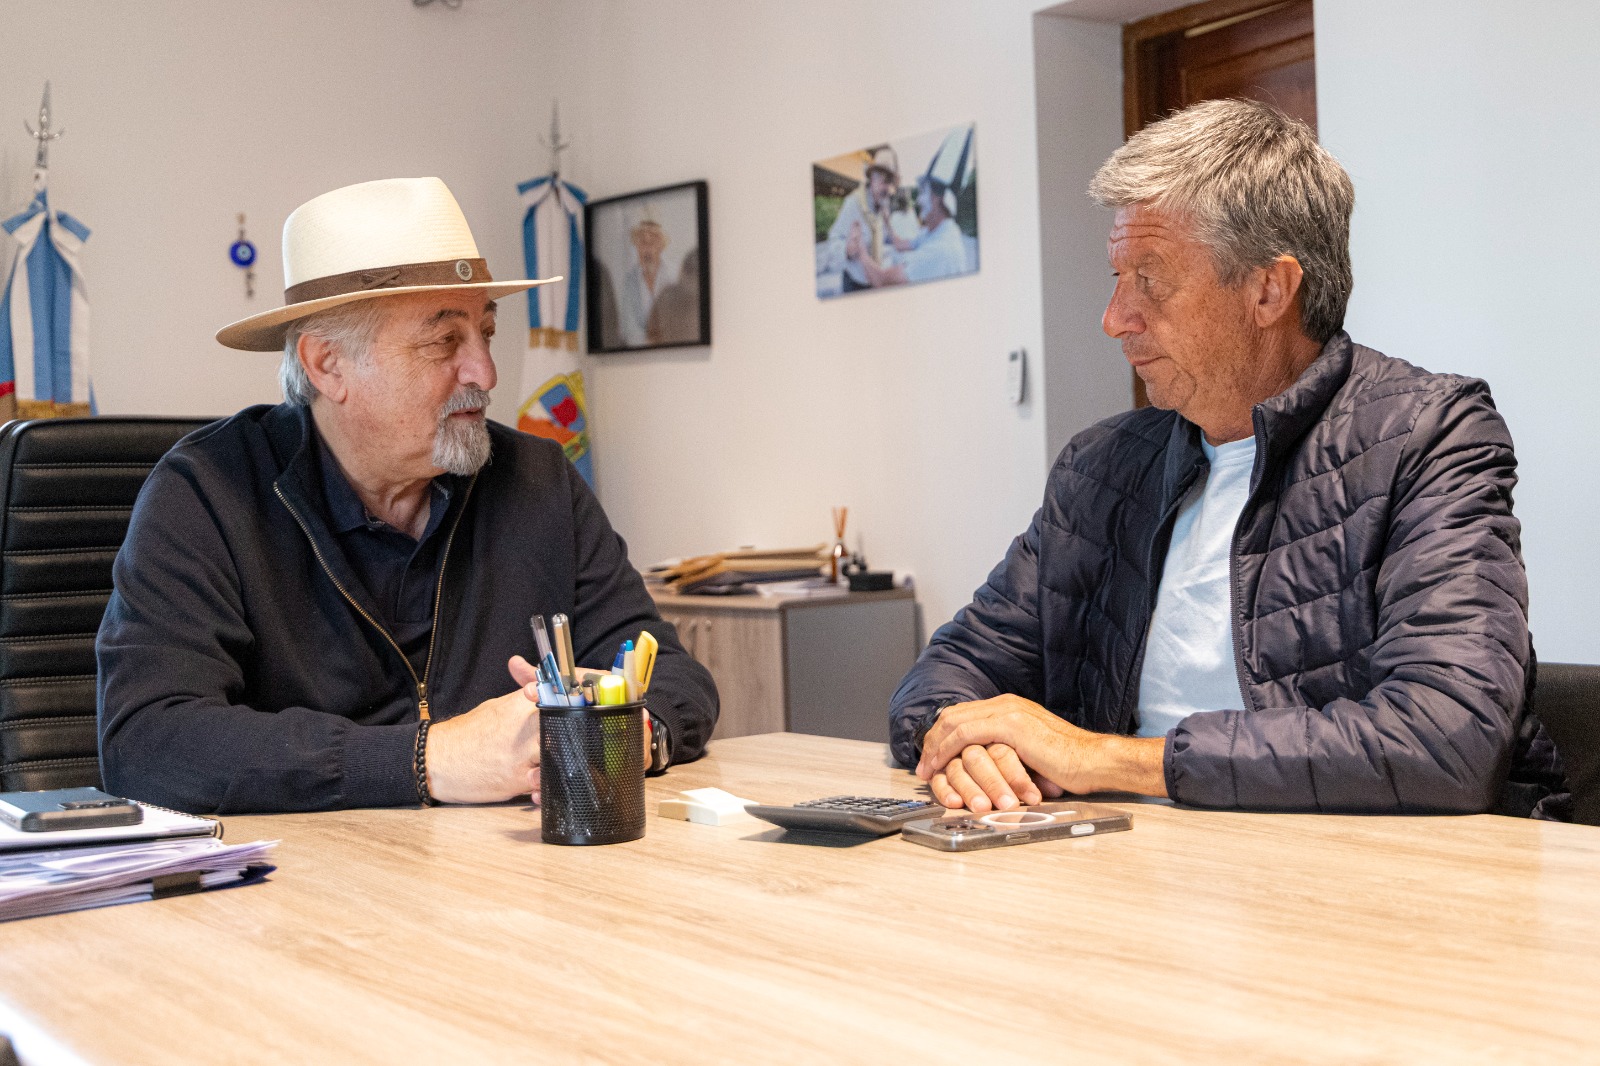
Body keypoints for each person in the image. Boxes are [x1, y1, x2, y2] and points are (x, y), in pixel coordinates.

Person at [891, 99, 1564, 818]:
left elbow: (1447, 737)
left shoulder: (1428, 435)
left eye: (1150, 279)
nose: (1115, 318)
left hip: (1366, 866)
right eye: (1118, 277)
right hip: (1129, 859)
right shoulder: (1101, 467)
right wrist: (968, 745)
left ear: (1269, 289)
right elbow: (947, 673)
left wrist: (1101, 758)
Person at [96, 177, 718, 814]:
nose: (485, 372)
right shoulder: (208, 493)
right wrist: (430, 759)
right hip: (310, 870)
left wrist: (625, 730)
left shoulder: (537, 480)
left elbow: (666, 671)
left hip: (511, 863)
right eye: (444, 342)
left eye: (486, 332)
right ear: (327, 365)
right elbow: (148, 741)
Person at [850, 174, 966, 287]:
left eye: (923, 192)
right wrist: (887, 222)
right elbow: (899, 245)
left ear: (937, 199)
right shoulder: (938, 231)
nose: (918, 200)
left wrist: (861, 249)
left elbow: (882, 280)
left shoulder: (939, 250)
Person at [824, 146, 899, 293]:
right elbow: (833, 241)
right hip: (854, 285)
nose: (888, 189)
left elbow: (885, 240)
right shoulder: (853, 203)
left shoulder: (882, 205)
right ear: (873, 178)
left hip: (875, 282)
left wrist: (889, 225)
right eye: (885, 181)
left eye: (891, 182)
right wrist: (847, 249)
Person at [618, 213, 675, 346]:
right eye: (642, 242)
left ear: (661, 245)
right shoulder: (629, 281)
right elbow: (627, 329)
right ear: (637, 246)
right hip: (639, 352)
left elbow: (677, 323)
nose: (647, 249)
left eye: (652, 242)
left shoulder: (673, 276)